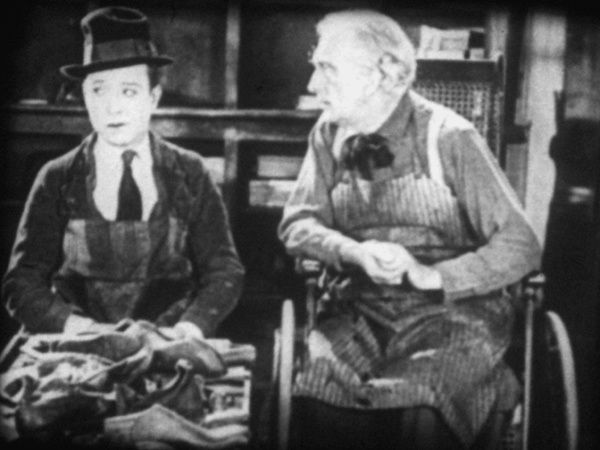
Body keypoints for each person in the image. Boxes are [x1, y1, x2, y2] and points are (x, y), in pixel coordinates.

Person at [279, 9, 542, 450]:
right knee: (319, 392)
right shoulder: (326, 135)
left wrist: (432, 274)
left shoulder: (450, 137)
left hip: (455, 314)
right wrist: (353, 252)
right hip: (359, 311)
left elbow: (521, 244)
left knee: (420, 398)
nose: (312, 85)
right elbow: (297, 223)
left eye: (327, 69)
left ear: (382, 76)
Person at [2, 6, 243, 349]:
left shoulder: (190, 172)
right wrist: (77, 329)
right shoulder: (56, 177)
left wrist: (189, 328)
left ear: (153, 98)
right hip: (77, 350)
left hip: (167, 346)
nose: (112, 107)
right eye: (99, 91)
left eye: (128, 91)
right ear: (85, 97)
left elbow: (223, 271)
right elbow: (21, 282)